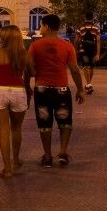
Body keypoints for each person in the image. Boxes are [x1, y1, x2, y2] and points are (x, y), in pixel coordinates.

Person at [26, 13, 85, 168]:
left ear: (47, 26)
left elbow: (29, 67)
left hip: (42, 90)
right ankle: (63, 152)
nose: (40, 29)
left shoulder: (35, 46)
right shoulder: (67, 46)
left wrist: (27, 85)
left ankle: (47, 155)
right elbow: (74, 70)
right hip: (61, 90)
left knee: (44, 122)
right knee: (65, 121)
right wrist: (80, 89)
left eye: (41, 25)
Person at [0, 24, 31, 177]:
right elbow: (32, 72)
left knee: (4, 130)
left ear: (4, 37)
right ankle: (16, 160)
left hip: (0, 91)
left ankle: (7, 169)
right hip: (18, 91)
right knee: (16, 129)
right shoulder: (23, 53)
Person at [74, 18, 101, 95]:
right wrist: (98, 53)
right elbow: (98, 41)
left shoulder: (80, 28)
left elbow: (76, 40)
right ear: (92, 18)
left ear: (85, 18)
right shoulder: (96, 28)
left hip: (83, 51)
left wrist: (75, 49)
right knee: (91, 67)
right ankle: (88, 84)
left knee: (85, 66)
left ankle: (88, 84)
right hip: (93, 51)